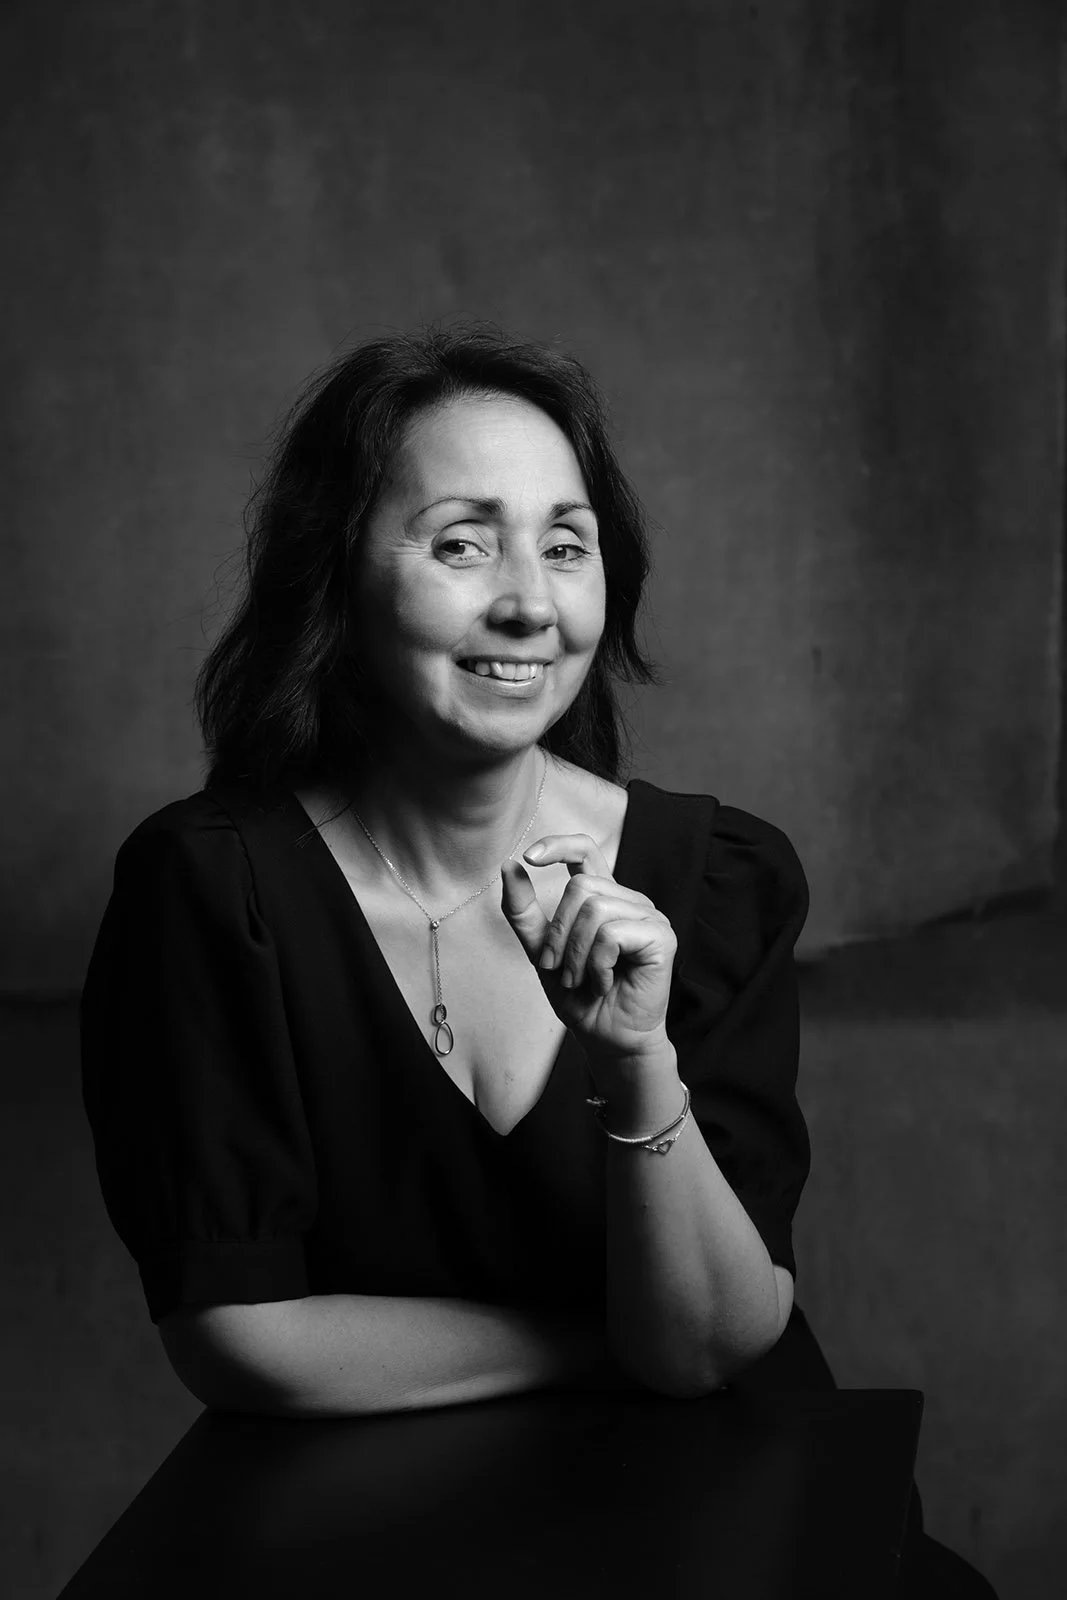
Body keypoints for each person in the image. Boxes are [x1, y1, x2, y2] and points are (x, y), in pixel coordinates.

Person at [80, 324, 995, 1595]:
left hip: (735, 1521)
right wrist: (594, 1344)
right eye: (461, 542)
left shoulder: (715, 875)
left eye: (565, 546)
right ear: (331, 576)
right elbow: (241, 1338)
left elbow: (716, 1346)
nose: (528, 600)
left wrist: (634, 1060)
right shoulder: (211, 889)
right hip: (387, 1543)